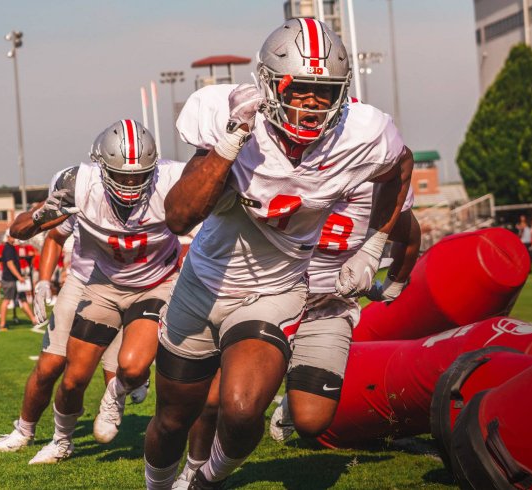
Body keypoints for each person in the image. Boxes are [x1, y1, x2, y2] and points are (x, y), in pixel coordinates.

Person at [142, 19, 413, 489]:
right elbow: (179, 218)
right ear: (268, 84)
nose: (312, 103)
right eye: (301, 88)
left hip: (276, 288)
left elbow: (400, 165)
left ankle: (208, 481)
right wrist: (231, 139)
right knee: (171, 419)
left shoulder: (364, 133)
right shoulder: (226, 112)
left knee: (243, 410)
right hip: (203, 285)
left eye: (324, 91)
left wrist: (371, 248)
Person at [171, 184, 421, 485]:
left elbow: (408, 236)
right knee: (215, 400)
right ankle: (196, 471)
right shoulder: (280, 169)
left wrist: (392, 285)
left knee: (312, 421)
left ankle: (216, 471)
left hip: (326, 307)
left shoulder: (372, 180)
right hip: (262, 300)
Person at [7, 120, 183, 463]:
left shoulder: (172, 179)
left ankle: (114, 395)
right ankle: (60, 440)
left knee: (131, 369)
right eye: (122, 176)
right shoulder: (78, 184)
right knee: (72, 379)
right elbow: (21, 230)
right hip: (102, 285)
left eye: (139, 175)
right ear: (101, 166)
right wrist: (47, 212)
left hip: (156, 283)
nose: (131, 183)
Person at [0, 215, 147, 461]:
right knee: (51, 366)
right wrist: (43, 281)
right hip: (81, 283)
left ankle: (134, 381)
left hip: (133, 287)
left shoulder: (154, 184)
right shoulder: (75, 181)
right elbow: (52, 235)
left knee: (118, 373)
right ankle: (27, 430)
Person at [0, 231, 36, 330]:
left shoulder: (11, 248)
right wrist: (19, 277)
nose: (14, 238)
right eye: (12, 236)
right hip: (10, 279)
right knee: (6, 301)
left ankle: (34, 320)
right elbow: (10, 264)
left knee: (23, 300)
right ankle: (2, 324)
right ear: (8, 236)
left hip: (15, 279)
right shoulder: (8, 248)